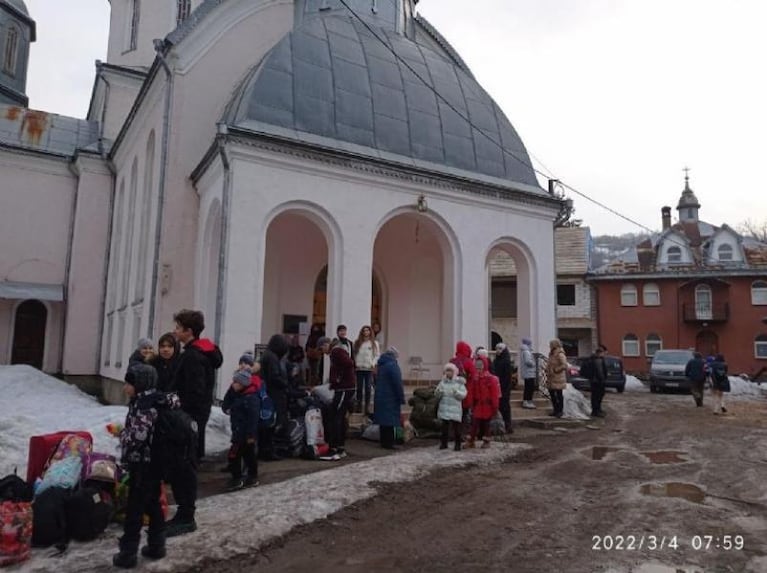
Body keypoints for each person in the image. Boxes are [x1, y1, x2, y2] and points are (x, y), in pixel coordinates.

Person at [112, 364, 176, 568]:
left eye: (129, 383)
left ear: (139, 384)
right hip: (155, 461)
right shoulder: (155, 400)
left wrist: (120, 434)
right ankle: (157, 545)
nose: (125, 388)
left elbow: (138, 436)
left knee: (135, 509)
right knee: (152, 503)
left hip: (144, 463)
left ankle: (128, 553)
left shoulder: (145, 404)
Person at [167, 309, 222, 537]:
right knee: (184, 464)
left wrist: (182, 413)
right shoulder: (198, 352)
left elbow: (195, 392)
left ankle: (186, 515)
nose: (175, 331)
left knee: (185, 465)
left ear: (189, 332)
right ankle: (184, 511)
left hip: (188, 419)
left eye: (178, 328)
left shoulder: (192, 356)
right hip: (192, 418)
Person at [221, 369, 261, 491]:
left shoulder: (251, 399)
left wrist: (250, 435)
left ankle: (238, 478)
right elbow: (226, 404)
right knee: (248, 455)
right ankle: (250, 476)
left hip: (244, 433)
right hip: (238, 431)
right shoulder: (238, 395)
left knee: (234, 456)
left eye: (236, 382)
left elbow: (253, 419)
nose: (233, 384)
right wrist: (231, 390)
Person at [258, 334, 290, 461]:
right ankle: (267, 451)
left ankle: (264, 449)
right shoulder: (272, 358)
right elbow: (274, 377)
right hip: (273, 394)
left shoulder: (267, 355)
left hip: (267, 393)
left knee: (267, 423)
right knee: (271, 423)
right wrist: (285, 384)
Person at [328, 338, 356, 458]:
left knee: (337, 416)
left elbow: (349, 363)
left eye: (322, 348)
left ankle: (336, 446)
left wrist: (337, 378)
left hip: (343, 388)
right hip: (345, 387)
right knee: (340, 416)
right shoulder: (340, 352)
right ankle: (339, 446)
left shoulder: (336, 352)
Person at [373, 347, 405, 449]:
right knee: (390, 421)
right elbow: (397, 383)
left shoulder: (381, 364)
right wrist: (401, 397)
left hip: (381, 395)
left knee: (383, 421)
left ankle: (384, 442)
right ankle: (389, 444)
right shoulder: (392, 365)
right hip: (391, 396)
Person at [466, 356, 500, 448]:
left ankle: (486, 441)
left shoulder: (490, 379)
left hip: (487, 406)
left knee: (486, 425)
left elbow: (494, 394)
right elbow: (471, 392)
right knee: (474, 423)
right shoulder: (474, 379)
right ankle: (471, 440)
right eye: (476, 366)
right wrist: (471, 403)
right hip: (477, 405)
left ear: (484, 366)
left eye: (480, 366)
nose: (478, 368)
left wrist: (495, 406)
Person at [435, 363, 467, 451]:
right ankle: (444, 443)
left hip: (455, 409)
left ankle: (457, 444)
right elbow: (437, 394)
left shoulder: (459, 383)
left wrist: (456, 393)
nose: (448, 373)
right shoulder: (442, 382)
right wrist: (439, 393)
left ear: (454, 372)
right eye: (447, 371)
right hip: (444, 408)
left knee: (456, 428)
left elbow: (463, 394)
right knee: (444, 428)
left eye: (450, 371)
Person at [450, 341, 477, 431]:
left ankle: (453, 431)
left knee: (454, 414)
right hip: (465, 390)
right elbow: (474, 376)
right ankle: (462, 432)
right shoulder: (468, 362)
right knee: (464, 414)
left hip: (452, 391)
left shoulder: (452, 361)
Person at [353, 325, 380, 415]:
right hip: (359, 368)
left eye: (367, 331)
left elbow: (377, 355)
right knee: (359, 388)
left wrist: (373, 363)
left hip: (368, 368)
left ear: (370, 332)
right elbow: (354, 354)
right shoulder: (357, 343)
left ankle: (367, 407)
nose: (366, 332)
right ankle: (359, 406)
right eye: (364, 331)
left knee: (368, 388)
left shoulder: (374, 343)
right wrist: (356, 363)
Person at [581, 344, 608, 417]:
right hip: (598, 381)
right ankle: (596, 411)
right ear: (600, 353)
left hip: (593, 381)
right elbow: (600, 372)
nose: (605, 354)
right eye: (604, 352)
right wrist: (603, 379)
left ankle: (596, 410)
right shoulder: (598, 360)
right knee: (598, 396)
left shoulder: (593, 358)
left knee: (595, 396)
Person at [493, 343, 514, 433]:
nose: (498, 350)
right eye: (497, 348)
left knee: (505, 407)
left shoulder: (506, 361)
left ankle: (508, 425)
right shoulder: (496, 360)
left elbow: (507, 377)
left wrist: (505, 389)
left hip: (504, 388)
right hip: (497, 386)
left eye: (500, 349)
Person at [545, 339, 567, 418]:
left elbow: (564, 365)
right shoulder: (551, 354)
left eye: (551, 344)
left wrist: (555, 370)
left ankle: (560, 411)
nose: (550, 346)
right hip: (551, 378)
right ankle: (555, 410)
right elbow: (549, 363)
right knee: (552, 395)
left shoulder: (560, 354)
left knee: (558, 395)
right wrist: (547, 369)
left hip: (558, 378)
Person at [520, 338, 537, 409]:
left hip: (528, 372)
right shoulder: (526, 352)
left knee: (528, 387)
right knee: (529, 388)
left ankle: (527, 401)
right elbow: (528, 362)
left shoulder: (524, 351)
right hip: (529, 373)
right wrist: (534, 363)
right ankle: (528, 401)